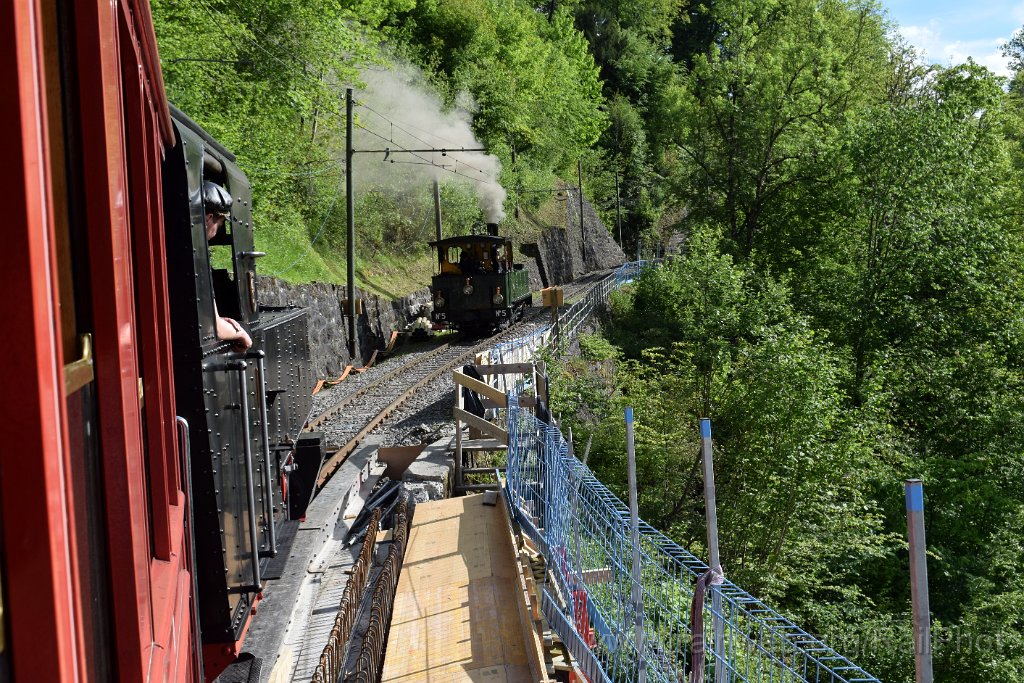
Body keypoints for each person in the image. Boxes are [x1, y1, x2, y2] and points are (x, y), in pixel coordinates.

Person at [203, 181, 252, 351]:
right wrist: (240, 334)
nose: (219, 230)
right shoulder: (197, 258)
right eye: (221, 223)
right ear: (209, 218)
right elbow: (215, 328)